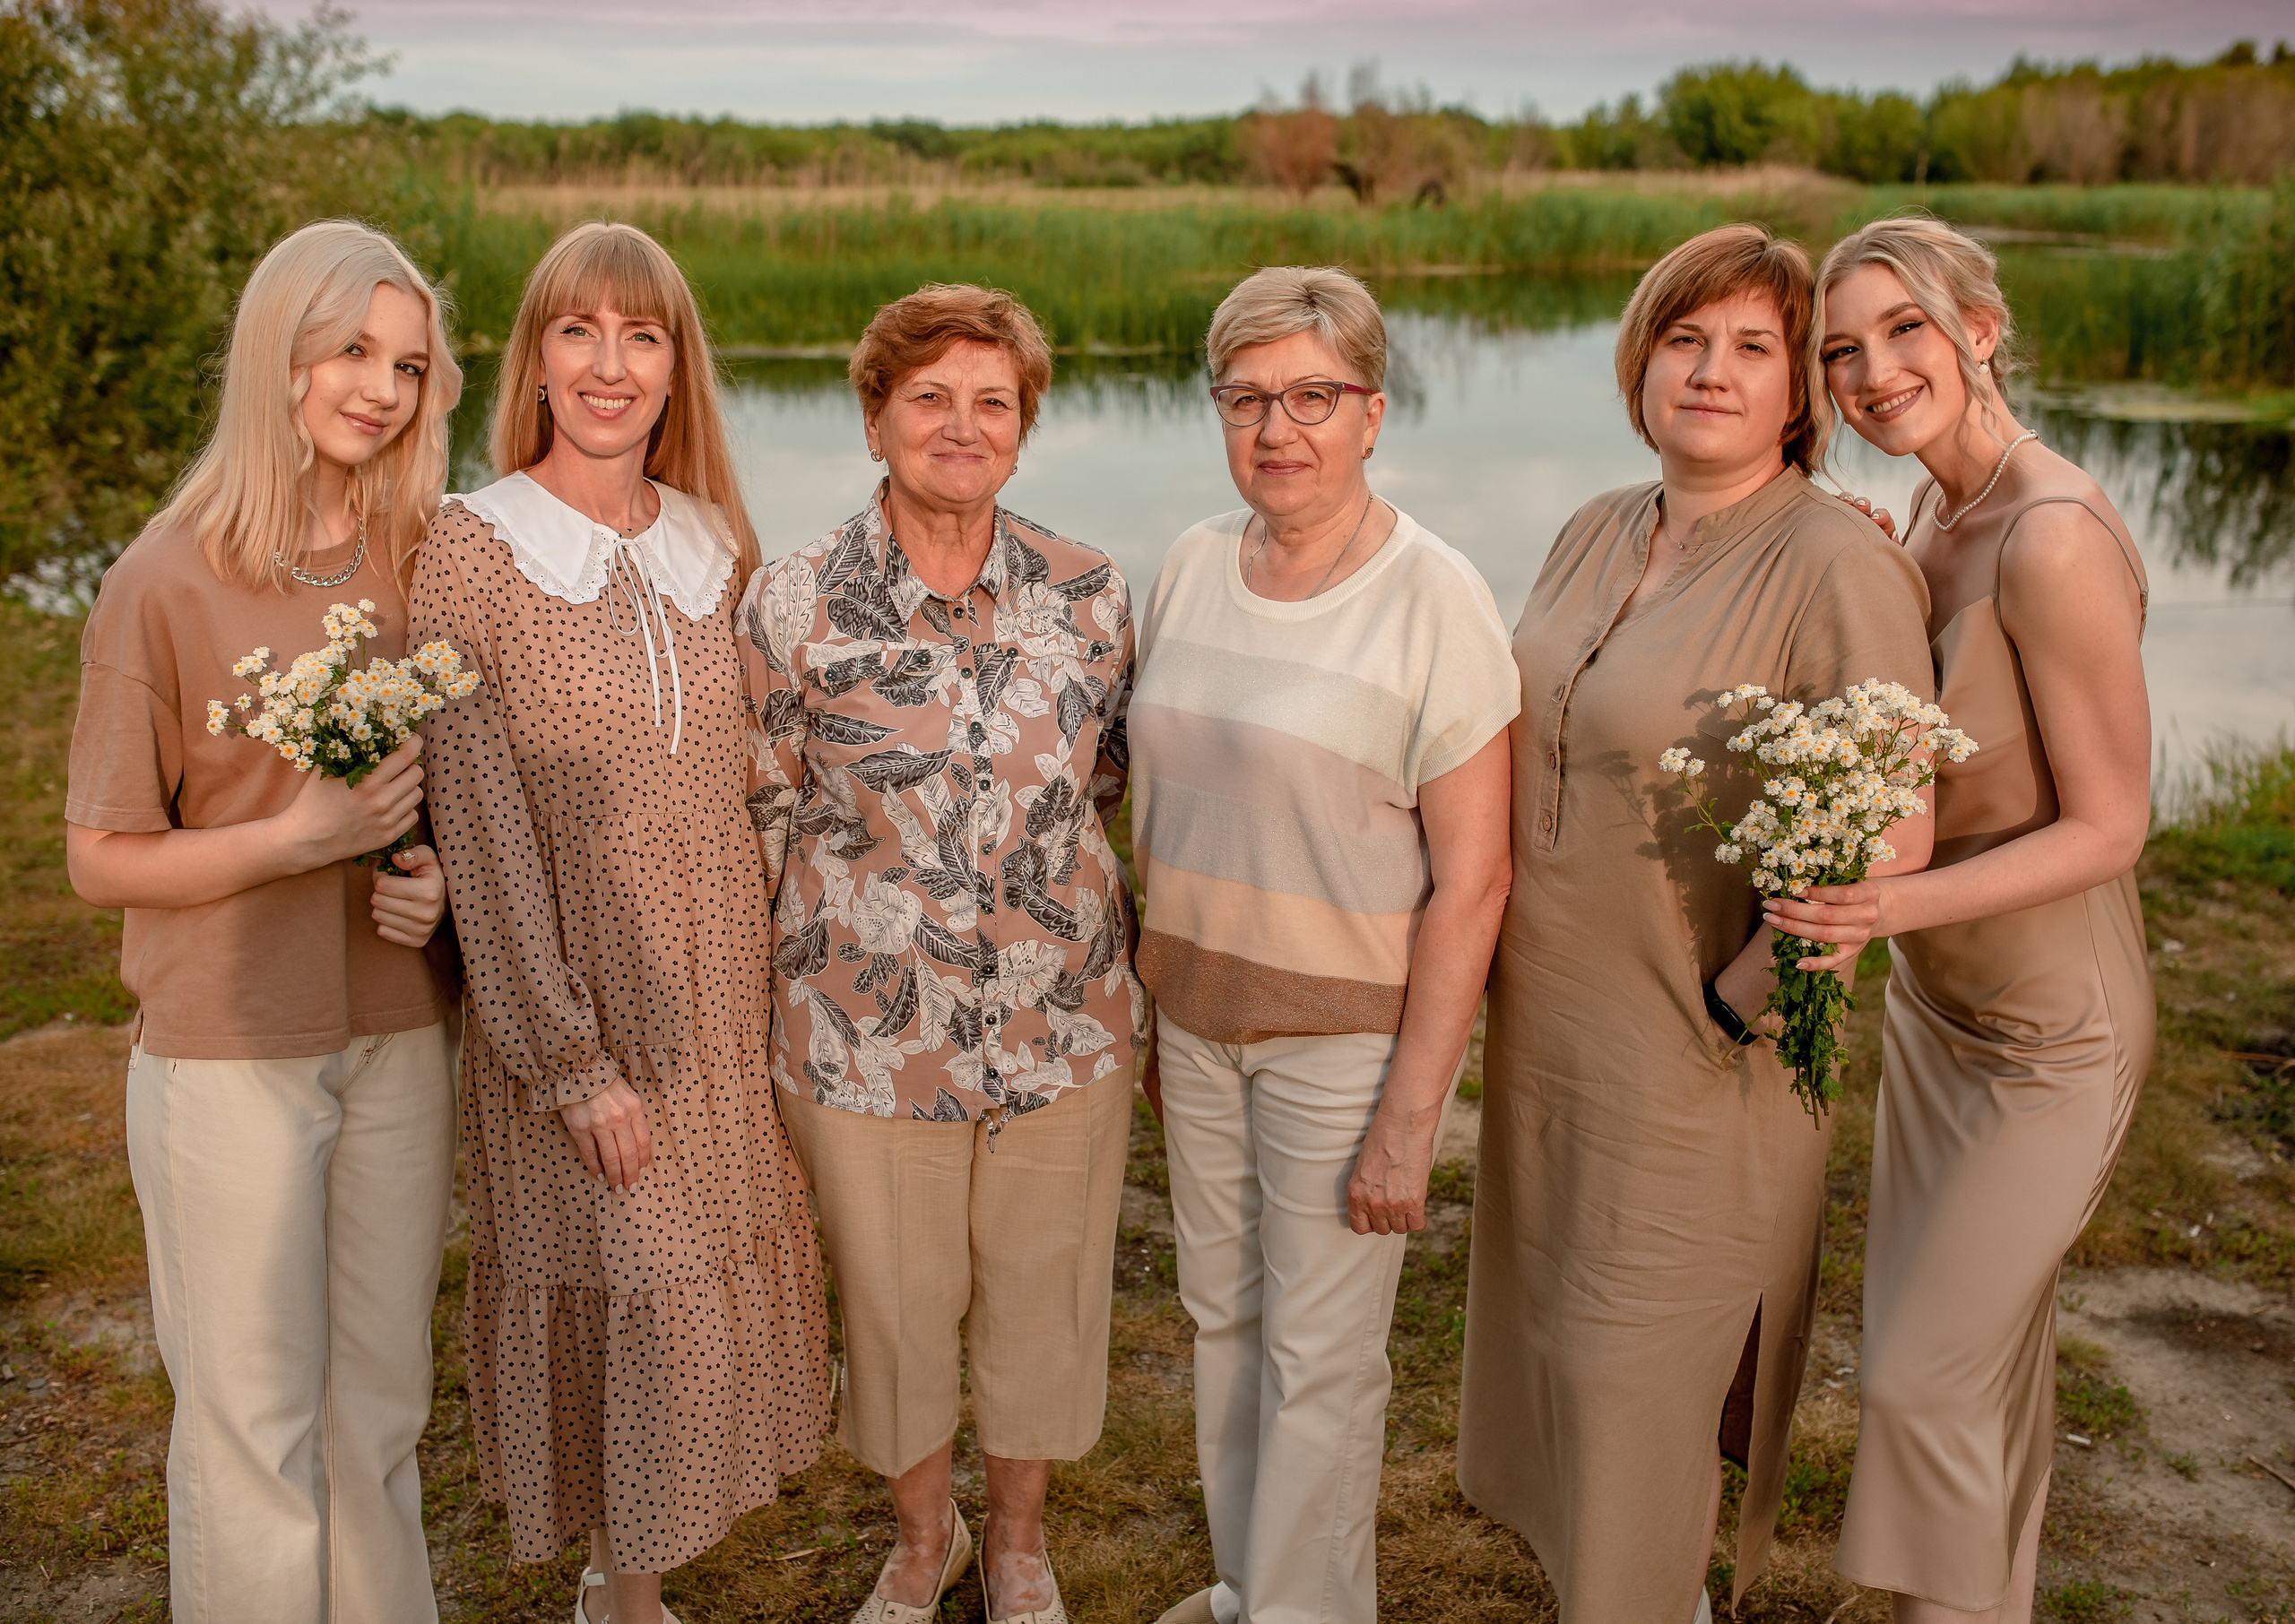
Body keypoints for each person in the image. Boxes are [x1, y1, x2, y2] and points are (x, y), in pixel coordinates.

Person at [1456, 224, 1939, 1622]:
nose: (1711, 371)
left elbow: (1895, 823)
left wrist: (1749, 993)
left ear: (1800, 393)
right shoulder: (1596, 525)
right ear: (1642, 363)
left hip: (1697, 1050)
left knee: (1643, 1375)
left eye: (1753, 348)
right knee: (1559, 1346)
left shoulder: (1837, 565)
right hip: (1552, 1027)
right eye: (1684, 339)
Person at [411, 221, 833, 1624]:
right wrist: (565, 1057)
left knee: (700, 1282)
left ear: (674, 365)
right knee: (634, 1276)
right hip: (575, 991)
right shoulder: (471, 545)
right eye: (578, 332)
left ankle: (626, 1579)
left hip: (721, 988)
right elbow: (479, 825)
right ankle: (627, 1599)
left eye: (641, 336)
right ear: (535, 360)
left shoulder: (713, 537)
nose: (609, 365)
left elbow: (755, 773)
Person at [64, 220, 461, 1624]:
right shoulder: (162, 580)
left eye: (407, 364)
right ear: (273, 353)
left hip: (399, 1035)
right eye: (351, 350)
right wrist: (294, 841)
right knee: (253, 1430)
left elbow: (450, 792)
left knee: (380, 1415)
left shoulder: (422, 557)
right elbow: (100, 859)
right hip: (230, 1050)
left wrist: (433, 880)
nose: (382, 390)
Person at [1762, 214, 2154, 1624]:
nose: (1873, 374)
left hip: (2053, 1032)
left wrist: (1882, 903)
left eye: (1906, 330)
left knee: (1923, 1377)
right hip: (1943, 1016)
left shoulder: (2049, 538)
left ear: (1980, 329)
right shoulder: (1933, 514)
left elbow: (2112, 827)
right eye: (1842, 352)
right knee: (1982, 1374)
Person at [739, 281, 1141, 1624]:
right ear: (875, 419)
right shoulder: (794, 599)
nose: (961, 427)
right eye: (929, 398)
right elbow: (762, 809)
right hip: (864, 1033)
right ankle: (926, 1543)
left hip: (1062, 1025)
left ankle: (1019, 1548)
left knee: (1043, 1299)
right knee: (897, 1314)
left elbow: (1106, 786)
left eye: (993, 402)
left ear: (1024, 429)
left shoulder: (1091, 592)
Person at [1130, 265, 1518, 1624]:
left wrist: (1413, 1114)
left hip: (1344, 1045)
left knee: (1322, 1361)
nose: (1276, 429)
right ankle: (1254, 1589)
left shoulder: (1436, 597)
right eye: (1246, 398)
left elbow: (1475, 880)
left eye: (1311, 395)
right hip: (1196, 1025)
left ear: (1372, 412)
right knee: (1225, 1324)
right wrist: (1161, 1013)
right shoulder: (1192, 564)